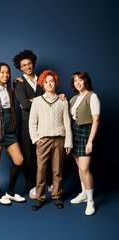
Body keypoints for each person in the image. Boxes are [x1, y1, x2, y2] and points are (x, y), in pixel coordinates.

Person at [13, 50, 66, 199]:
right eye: (24, 65)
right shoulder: (19, 82)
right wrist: (36, 101)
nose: (27, 67)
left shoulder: (42, 80)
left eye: (29, 63)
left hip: (45, 123)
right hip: (27, 123)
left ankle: (50, 184)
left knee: (48, 155)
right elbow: (24, 104)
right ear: (20, 67)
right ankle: (32, 186)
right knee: (29, 156)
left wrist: (59, 96)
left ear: (33, 63)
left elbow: (50, 96)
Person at [29, 70, 73, 211]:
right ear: (42, 84)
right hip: (43, 140)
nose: (49, 84)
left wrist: (68, 142)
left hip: (59, 139)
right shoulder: (37, 101)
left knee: (57, 170)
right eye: (46, 82)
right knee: (41, 170)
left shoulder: (62, 101)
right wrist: (36, 139)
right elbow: (32, 123)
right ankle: (39, 197)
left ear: (56, 83)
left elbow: (67, 123)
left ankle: (56, 195)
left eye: (51, 81)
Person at [0, 62, 26, 205]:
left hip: (10, 130)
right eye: (2, 72)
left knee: (19, 160)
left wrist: (17, 82)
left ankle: (10, 192)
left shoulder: (7, 89)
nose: (5, 75)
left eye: (7, 72)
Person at [69, 70, 100, 216]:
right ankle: (83, 193)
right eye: (75, 80)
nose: (78, 82)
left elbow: (96, 120)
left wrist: (90, 142)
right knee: (79, 167)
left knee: (84, 168)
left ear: (85, 80)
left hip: (86, 134)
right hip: (74, 133)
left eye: (80, 79)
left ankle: (91, 202)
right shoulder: (74, 99)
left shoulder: (92, 96)